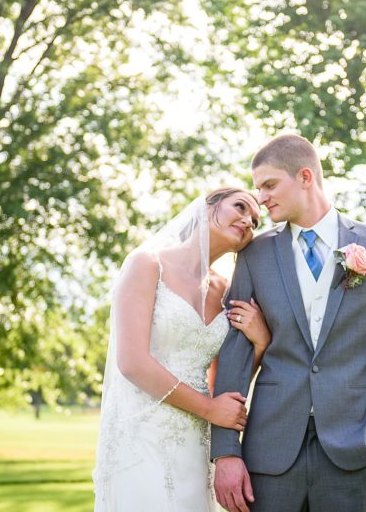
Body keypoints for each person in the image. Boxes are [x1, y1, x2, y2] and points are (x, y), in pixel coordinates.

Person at [211, 135, 366, 512]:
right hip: (269, 452)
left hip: (354, 452)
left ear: (305, 176)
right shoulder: (254, 254)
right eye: (258, 189)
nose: (262, 198)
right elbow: (234, 355)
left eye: (270, 185)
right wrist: (225, 452)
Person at [93, 187, 270, 511]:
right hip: (141, 436)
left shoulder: (226, 292)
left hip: (195, 442)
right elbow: (132, 362)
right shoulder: (146, 265)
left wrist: (260, 343)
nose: (248, 220)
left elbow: (224, 379)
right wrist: (208, 408)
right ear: (207, 207)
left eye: (255, 221)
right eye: (240, 207)